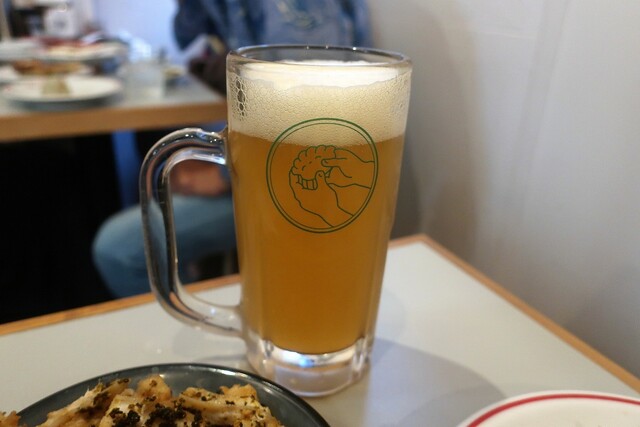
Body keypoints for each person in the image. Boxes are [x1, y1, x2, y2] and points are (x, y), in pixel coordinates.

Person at [92, 0, 372, 298]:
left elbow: (317, 106)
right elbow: (185, 35)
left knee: (118, 250)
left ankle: (218, 306)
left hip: (296, 180)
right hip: (264, 157)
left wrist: (221, 175)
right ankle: (225, 298)